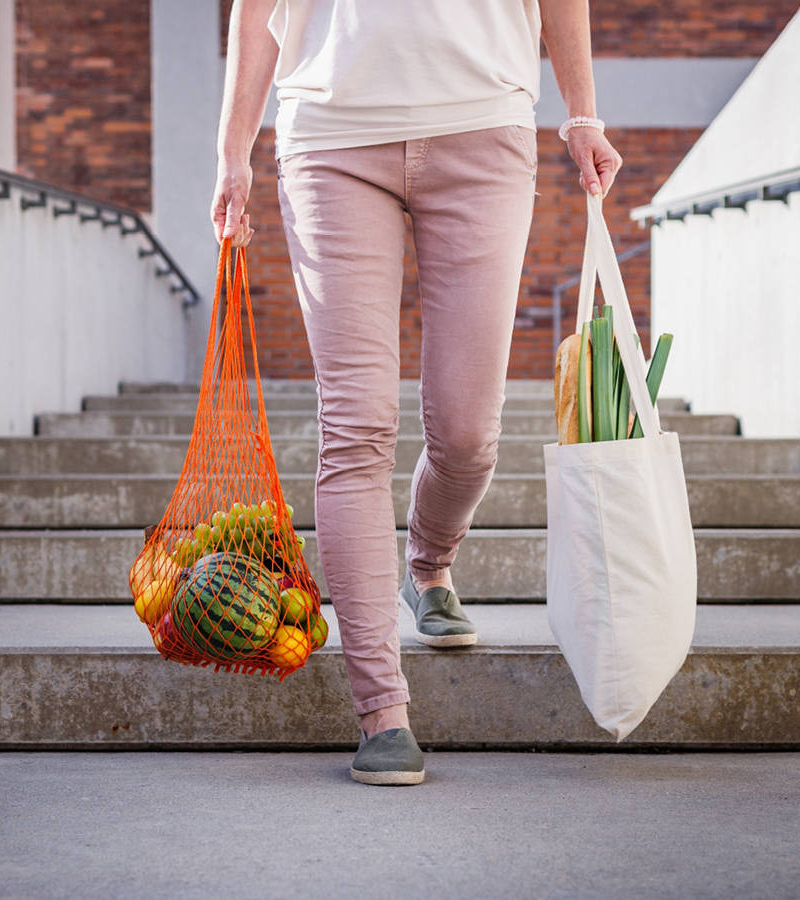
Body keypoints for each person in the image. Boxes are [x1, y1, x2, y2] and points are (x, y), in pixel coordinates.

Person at [211, 0, 621, 786]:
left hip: (484, 126)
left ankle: (428, 566)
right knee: (357, 427)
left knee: (468, 434)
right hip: (330, 136)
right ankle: (382, 711)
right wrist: (234, 153)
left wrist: (582, 113)